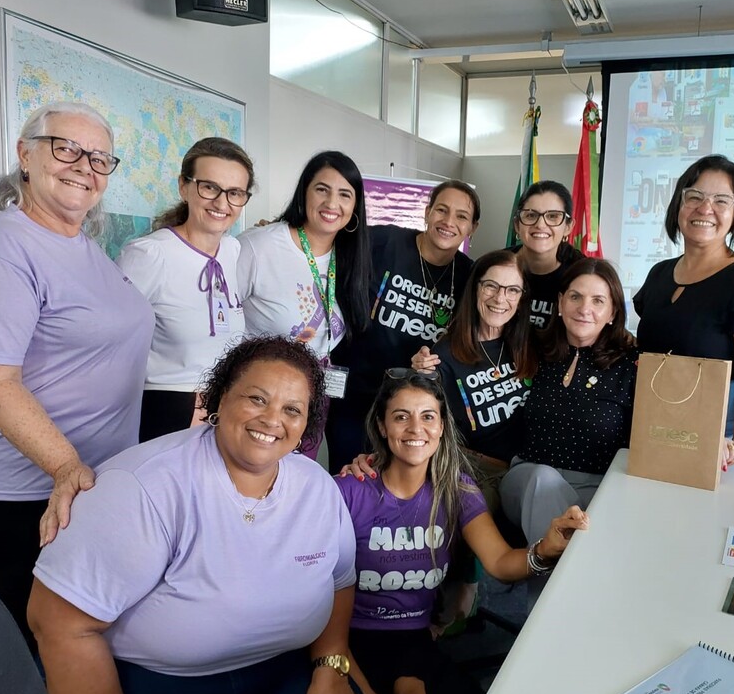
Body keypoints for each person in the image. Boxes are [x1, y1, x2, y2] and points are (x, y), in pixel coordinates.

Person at [28, 337, 375, 694]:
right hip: (155, 693)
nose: (272, 420)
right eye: (257, 399)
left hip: (278, 681)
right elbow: (60, 626)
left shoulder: (317, 487)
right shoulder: (144, 486)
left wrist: (330, 666)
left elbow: (339, 581)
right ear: (219, 398)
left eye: (292, 410)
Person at [0, 101, 154, 652]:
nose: (84, 166)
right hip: (26, 491)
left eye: (99, 158)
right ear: (24, 156)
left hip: (87, 480)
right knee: (39, 645)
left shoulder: (84, 246)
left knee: (83, 635)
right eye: (66, 148)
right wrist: (65, 467)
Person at [336, 369, 587, 694]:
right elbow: (318, 606)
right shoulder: (347, 491)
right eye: (401, 416)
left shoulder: (457, 489)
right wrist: (364, 692)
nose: (415, 428)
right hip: (346, 643)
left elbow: (500, 562)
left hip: (413, 642)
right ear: (382, 426)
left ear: (441, 427)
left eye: (428, 416)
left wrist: (545, 549)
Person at [633, 154, 734, 468]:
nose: (705, 208)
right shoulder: (659, 274)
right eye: (695, 196)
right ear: (679, 204)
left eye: (721, 200)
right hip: (677, 418)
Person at [326, 181, 478, 472]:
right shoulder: (384, 241)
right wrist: (288, 235)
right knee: (349, 479)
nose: (448, 221)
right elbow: (326, 241)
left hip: (411, 409)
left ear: (473, 227)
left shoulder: (469, 276)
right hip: (354, 396)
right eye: (441, 210)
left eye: (461, 216)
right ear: (427, 212)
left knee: (396, 484)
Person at [236, 151, 372, 460]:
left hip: (313, 396)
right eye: (322, 189)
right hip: (259, 394)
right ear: (304, 192)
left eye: (345, 194)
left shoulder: (351, 257)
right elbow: (219, 321)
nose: (332, 203)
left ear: (355, 206)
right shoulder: (260, 246)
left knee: (294, 478)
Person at [117, 137, 254, 442]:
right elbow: (109, 345)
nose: (222, 203)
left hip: (222, 409)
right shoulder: (149, 255)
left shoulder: (232, 249)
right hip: (166, 409)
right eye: (209, 187)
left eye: (235, 193)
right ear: (184, 187)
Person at [500, 258, 638, 545]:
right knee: (544, 480)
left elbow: (662, 425)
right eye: (575, 297)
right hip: (527, 478)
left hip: (597, 486)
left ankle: (554, 568)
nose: (584, 308)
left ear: (612, 312)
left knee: (588, 518)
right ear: (561, 303)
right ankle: (564, 567)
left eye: (598, 300)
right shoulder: (529, 349)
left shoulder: (631, 366)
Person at [409, 250, 536, 504]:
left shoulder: (529, 345)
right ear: (475, 288)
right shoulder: (445, 354)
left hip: (528, 470)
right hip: (478, 472)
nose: (500, 298)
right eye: (491, 286)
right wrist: (419, 378)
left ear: (522, 298)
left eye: (512, 290)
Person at [509, 181, 585, 329]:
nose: (540, 225)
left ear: (568, 227)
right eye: (531, 215)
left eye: (552, 216)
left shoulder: (583, 275)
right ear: (517, 225)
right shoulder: (493, 267)